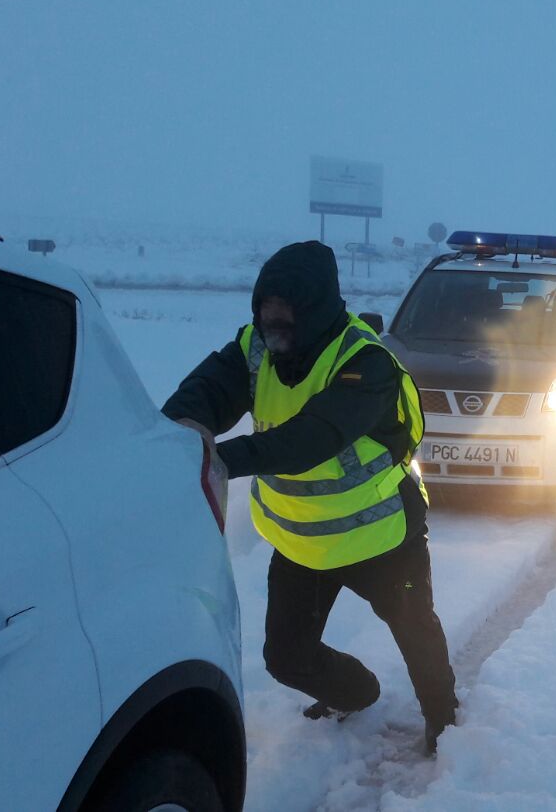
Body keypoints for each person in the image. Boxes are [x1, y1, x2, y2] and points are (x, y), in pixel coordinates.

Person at [162, 241, 457, 756]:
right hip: (303, 543)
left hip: (382, 536)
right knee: (286, 658)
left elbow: (311, 439)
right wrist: (183, 429)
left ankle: (447, 724)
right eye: (265, 312)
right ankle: (357, 693)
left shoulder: (366, 363)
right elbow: (209, 388)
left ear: (316, 310)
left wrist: (221, 460)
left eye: (285, 316)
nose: (273, 326)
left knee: (417, 636)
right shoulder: (256, 348)